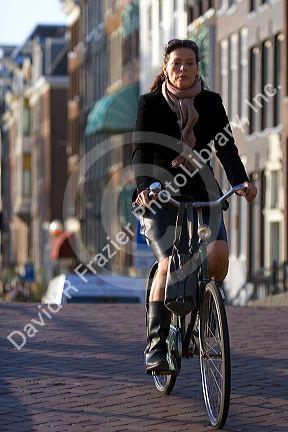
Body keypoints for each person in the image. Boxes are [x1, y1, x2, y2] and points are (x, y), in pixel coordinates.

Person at [131, 39, 257, 374]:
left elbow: (225, 146)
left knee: (217, 255)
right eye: (177, 63)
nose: (183, 69)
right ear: (165, 67)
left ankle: (207, 311)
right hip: (160, 190)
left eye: (190, 62)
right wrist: (145, 188)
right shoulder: (150, 103)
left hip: (201, 189)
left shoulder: (211, 102)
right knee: (168, 262)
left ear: (197, 66)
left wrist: (240, 181)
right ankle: (157, 347)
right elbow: (141, 152)